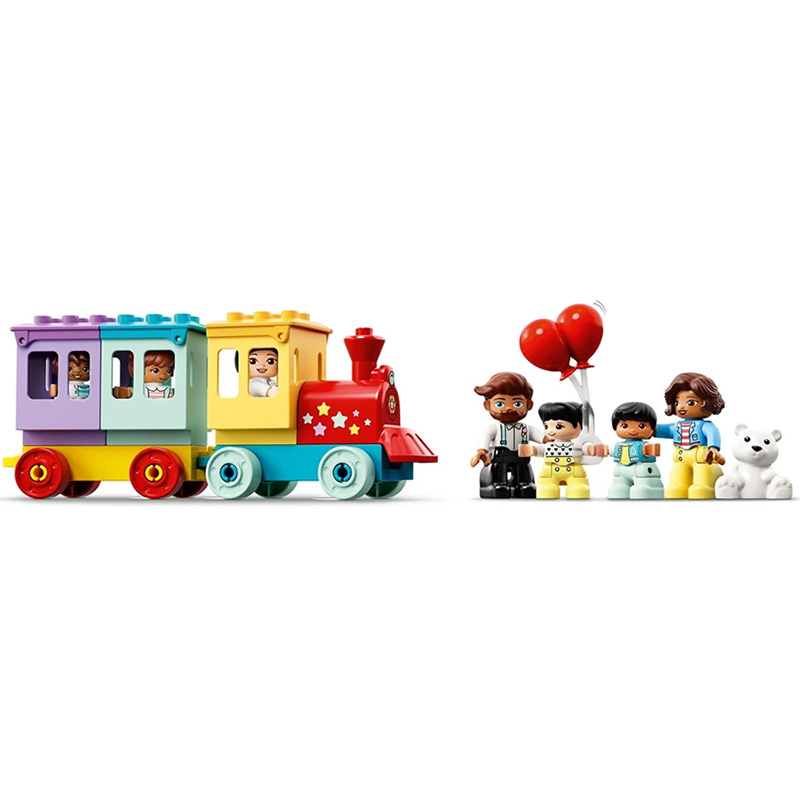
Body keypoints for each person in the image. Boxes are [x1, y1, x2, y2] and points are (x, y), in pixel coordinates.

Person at [654, 372, 725, 499]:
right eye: (677, 403)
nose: (681, 406)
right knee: (677, 481)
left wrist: (713, 449)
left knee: (702, 480)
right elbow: (663, 430)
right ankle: (677, 487)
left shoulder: (705, 426)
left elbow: (712, 434)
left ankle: (703, 487)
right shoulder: (677, 426)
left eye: (691, 402)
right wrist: (648, 429)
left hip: (701, 458)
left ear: (707, 402)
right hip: (680, 458)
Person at [471, 371, 540, 498]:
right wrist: (482, 451)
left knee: (523, 469)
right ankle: (497, 483)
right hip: (500, 455)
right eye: (500, 404)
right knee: (498, 469)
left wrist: (552, 437)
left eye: (517, 404)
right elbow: (485, 438)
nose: (509, 408)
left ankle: (524, 483)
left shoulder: (526, 428)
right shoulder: (494, 428)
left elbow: (542, 436)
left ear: (529, 405)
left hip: (522, 455)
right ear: (487, 405)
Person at [521, 401, 606, 499]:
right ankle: (548, 487)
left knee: (578, 488)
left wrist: (592, 449)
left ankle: (577, 487)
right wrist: (532, 450)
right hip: (550, 472)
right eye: (547, 426)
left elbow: (585, 449)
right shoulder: (548, 446)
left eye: (558, 426)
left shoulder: (577, 446)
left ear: (578, 426)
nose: (551, 430)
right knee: (547, 488)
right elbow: (540, 450)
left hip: (574, 472)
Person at [607, 402, 663, 499]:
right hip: (621, 470)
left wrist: (650, 450)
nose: (633, 430)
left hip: (641, 469)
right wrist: (603, 450)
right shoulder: (619, 445)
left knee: (642, 486)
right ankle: (621, 487)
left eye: (641, 426)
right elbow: (610, 451)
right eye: (624, 426)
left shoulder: (644, 445)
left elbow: (653, 450)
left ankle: (648, 488)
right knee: (618, 487)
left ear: (652, 429)